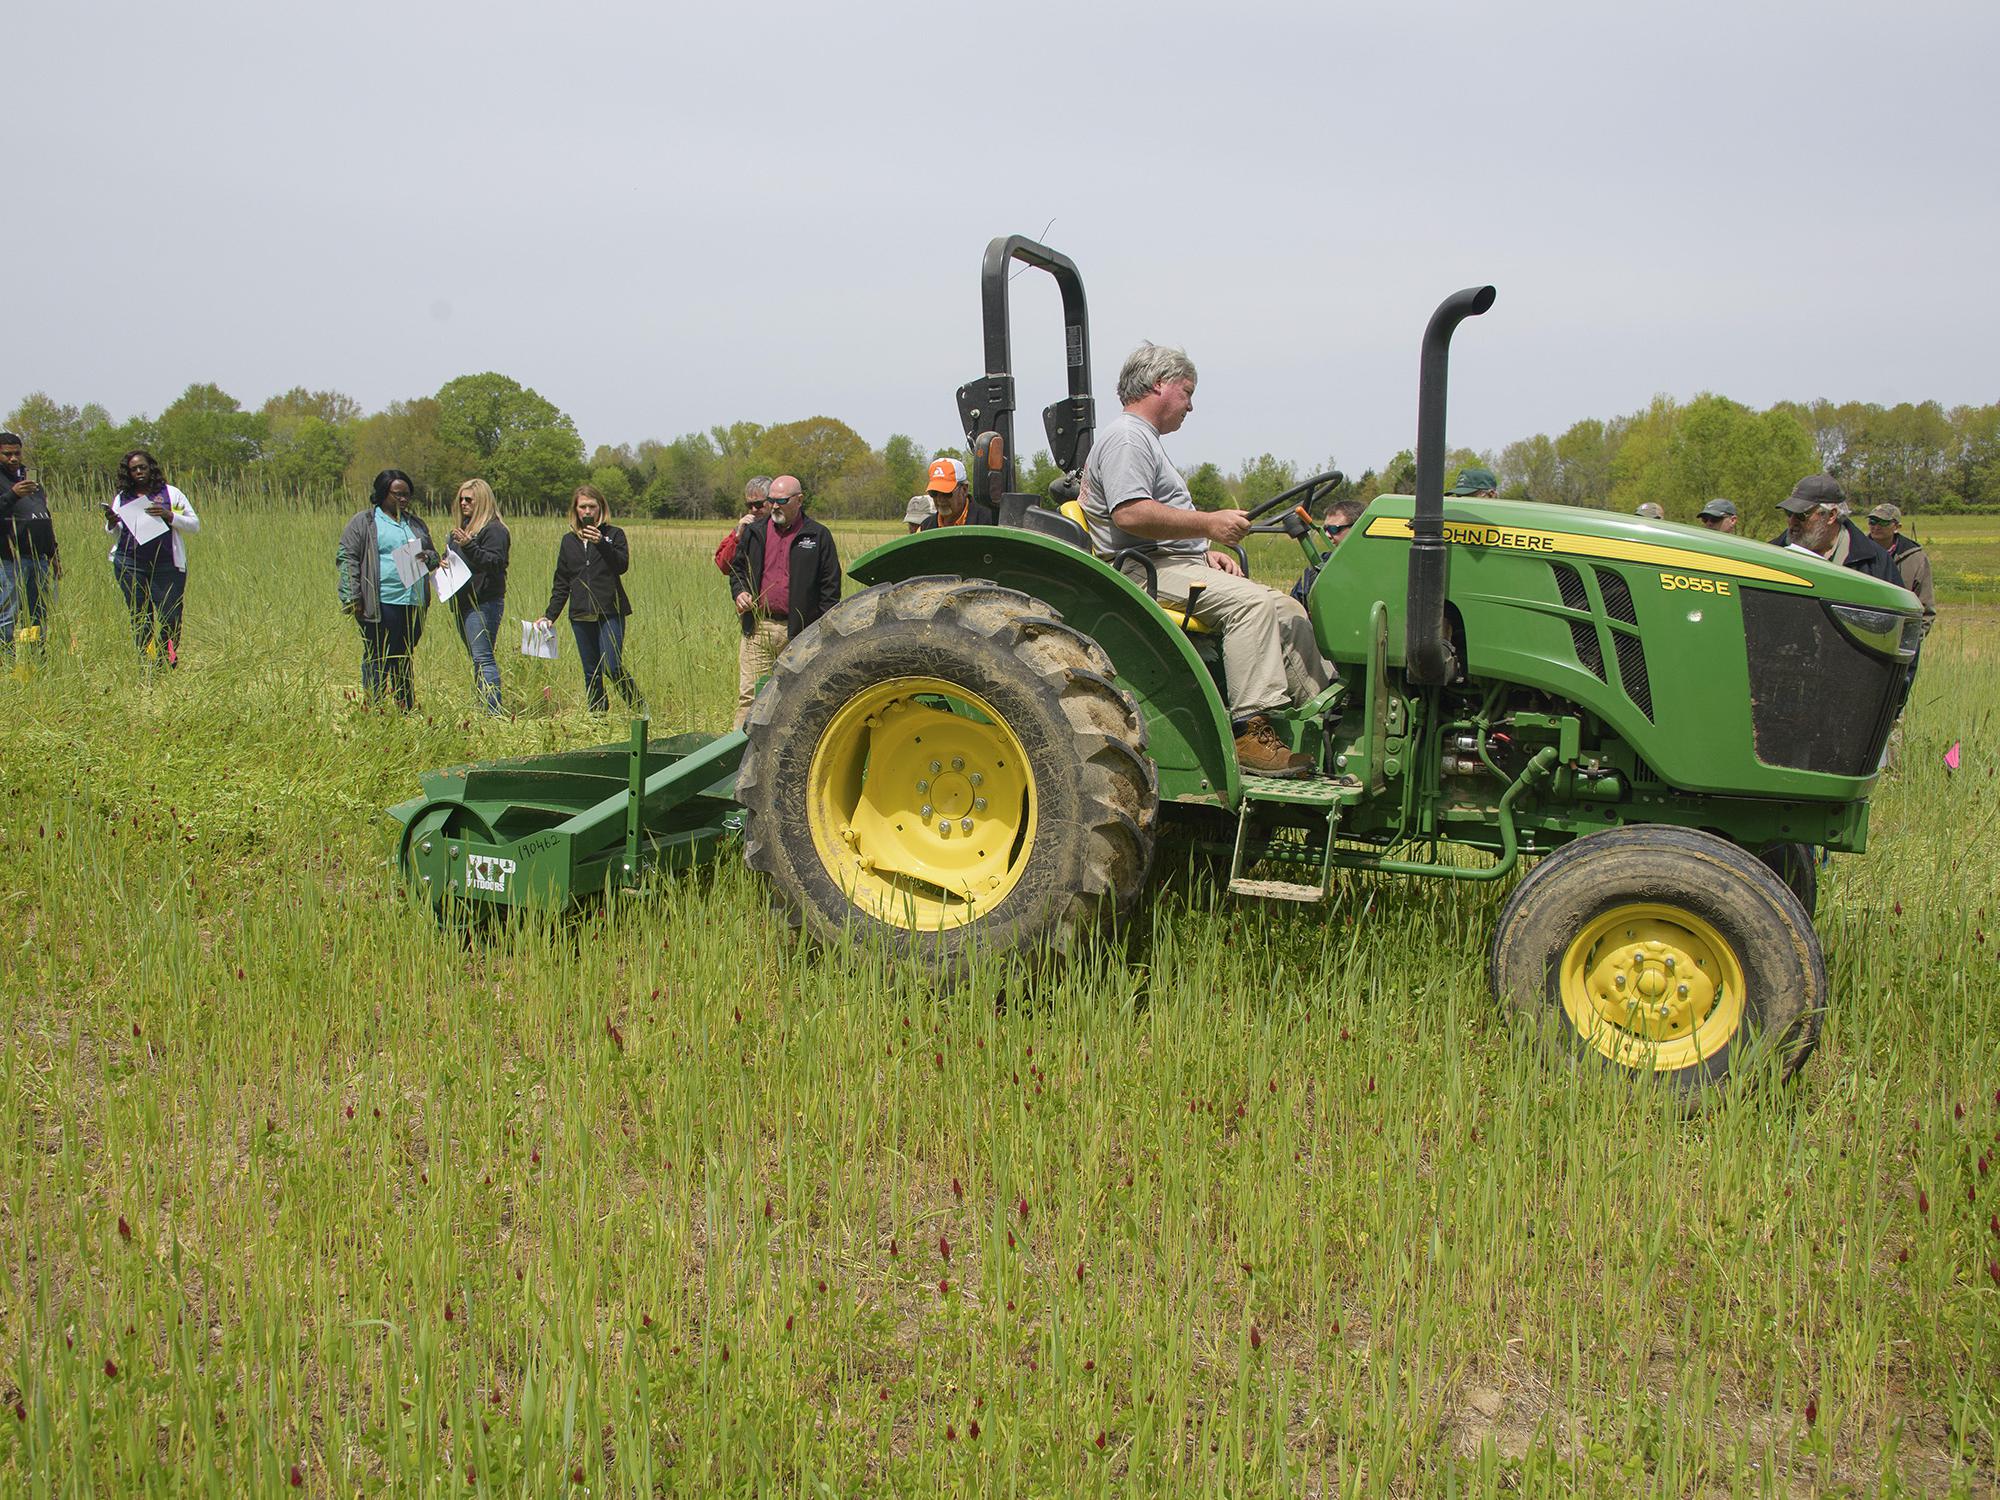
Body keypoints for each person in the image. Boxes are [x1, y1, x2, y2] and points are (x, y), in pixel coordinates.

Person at [1080, 342, 1330, 779]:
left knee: (1286, 607)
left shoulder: (1145, 441)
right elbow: (1130, 513)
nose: (1191, 405)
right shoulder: (1126, 438)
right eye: (1187, 391)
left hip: (1170, 560)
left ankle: (1323, 716)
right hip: (1141, 570)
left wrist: (1202, 549)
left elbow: (1155, 518)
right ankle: (1250, 732)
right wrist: (1209, 524)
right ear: (1159, 384)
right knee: (1250, 606)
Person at [728, 473, 841, 726]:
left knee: (798, 700)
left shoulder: (818, 536)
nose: (775, 506)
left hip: (801, 632)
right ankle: (738, 761)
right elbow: (737, 571)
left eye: (782, 500)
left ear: (799, 500)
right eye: (772, 501)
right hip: (759, 628)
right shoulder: (755, 533)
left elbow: (830, 590)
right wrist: (740, 593)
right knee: (750, 698)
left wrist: (817, 632)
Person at [537, 484, 645, 715]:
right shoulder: (569, 541)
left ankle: (639, 708)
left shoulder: (614, 535)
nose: (587, 512)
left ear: (600, 508)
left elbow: (621, 565)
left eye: (592, 507)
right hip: (580, 614)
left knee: (612, 666)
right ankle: (598, 717)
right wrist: (550, 615)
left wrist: (601, 543)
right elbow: (562, 582)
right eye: (582, 507)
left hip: (610, 611)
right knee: (591, 671)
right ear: (575, 510)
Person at [338, 469, 436, 710]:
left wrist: (429, 557)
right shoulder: (365, 521)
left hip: (412, 600)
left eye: (407, 495)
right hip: (379, 600)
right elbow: (347, 556)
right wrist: (352, 596)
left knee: (404, 654)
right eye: (397, 495)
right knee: (378, 655)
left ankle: (406, 706)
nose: (403, 500)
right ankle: (376, 707)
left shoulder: (415, 524)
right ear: (383, 494)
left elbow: (433, 556)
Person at [104, 448, 199, 667]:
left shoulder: (170, 493)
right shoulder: (122, 497)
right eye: (133, 469)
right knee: (140, 615)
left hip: (166, 565)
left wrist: (169, 515)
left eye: (142, 467)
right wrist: (111, 520)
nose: (138, 472)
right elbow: (115, 531)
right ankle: (147, 661)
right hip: (130, 563)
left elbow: (194, 525)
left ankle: (169, 660)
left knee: (171, 614)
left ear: (151, 468)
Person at [447, 478, 510, 714]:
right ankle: (483, 705)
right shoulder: (463, 528)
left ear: (482, 501)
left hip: (484, 602)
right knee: (476, 657)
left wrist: (469, 546)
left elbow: (495, 562)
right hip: (462, 600)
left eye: (469, 499)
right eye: (461, 499)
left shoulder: (495, 529)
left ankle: (492, 712)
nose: (463, 503)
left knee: (483, 658)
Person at [0, 432, 60, 655]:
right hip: (10, 559)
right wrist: (12, 495)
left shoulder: (27, 476)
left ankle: (36, 657)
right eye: (7, 454)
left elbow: (43, 515)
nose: (13, 458)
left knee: (37, 612)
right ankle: (5, 660)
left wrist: (54, 553)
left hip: (39, 558)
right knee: (8, 613)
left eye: (17, 453)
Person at [1770, 475, 1896, 581]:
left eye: (1800, 515)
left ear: (1831, 515)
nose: (1791, 521)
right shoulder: (1772, 553)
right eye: (1788, 513)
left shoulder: (1875, 563)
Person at [1865, 504, 1936, 635]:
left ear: (1897, 527)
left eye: (1883, 522)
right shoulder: (1856, 550)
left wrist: (1912, 640)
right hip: (1860, 631)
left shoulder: (1915, 557)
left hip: (1899, 635)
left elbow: (1925, 607)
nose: (1876, 526)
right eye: (1872, 522)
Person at [1291, 495, 1365, 606]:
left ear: (1357, 528)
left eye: (1334, 529)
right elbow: (1297, 601)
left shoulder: (1373, 566)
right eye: (1325, 529)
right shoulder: (1319, 564)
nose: (1327, 535)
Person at [916, 458, 995, 528]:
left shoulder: (990, 522)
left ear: (964, 490)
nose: (940, 499)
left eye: (946, 493)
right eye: (934, 493)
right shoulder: (925, 528)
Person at [716, 476, 771, 574]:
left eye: (758, 504)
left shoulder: (782, 527)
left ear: (771, 501)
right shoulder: (743, 528)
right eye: (750, 505)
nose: (754, 509)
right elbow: (724, 566)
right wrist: (737, 538)